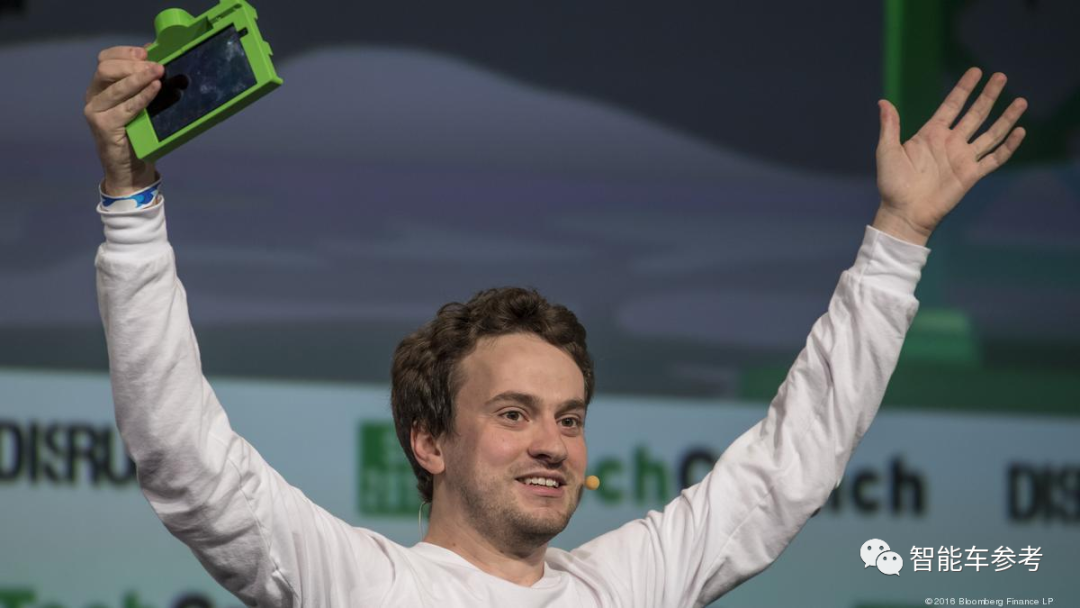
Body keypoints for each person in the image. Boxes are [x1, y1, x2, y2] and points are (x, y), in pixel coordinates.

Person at [85, 44, 1027, 607]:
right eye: (514, 413)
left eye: (569, 419)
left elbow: (791, 463)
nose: (552, 444)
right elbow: (186, 460)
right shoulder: (367, 587)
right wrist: (131, 202)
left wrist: (899, 236)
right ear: (429, 441)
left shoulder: (621, 587)